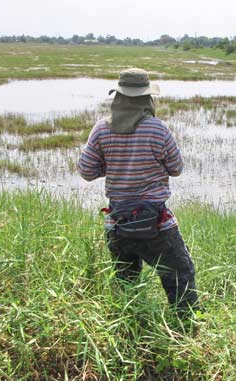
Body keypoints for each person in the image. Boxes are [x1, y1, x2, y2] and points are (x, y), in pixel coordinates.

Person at [77, 68, 198, 317]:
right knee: (179, 273)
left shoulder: (101, 129)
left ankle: (128, 326)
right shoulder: (157, 129)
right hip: (156, 223)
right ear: (147, 99)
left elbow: (86, 171)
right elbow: (176, 169)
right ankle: (187, 326)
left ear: (118, 97)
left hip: (118, 222)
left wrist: (112, 166)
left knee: (125, 280)